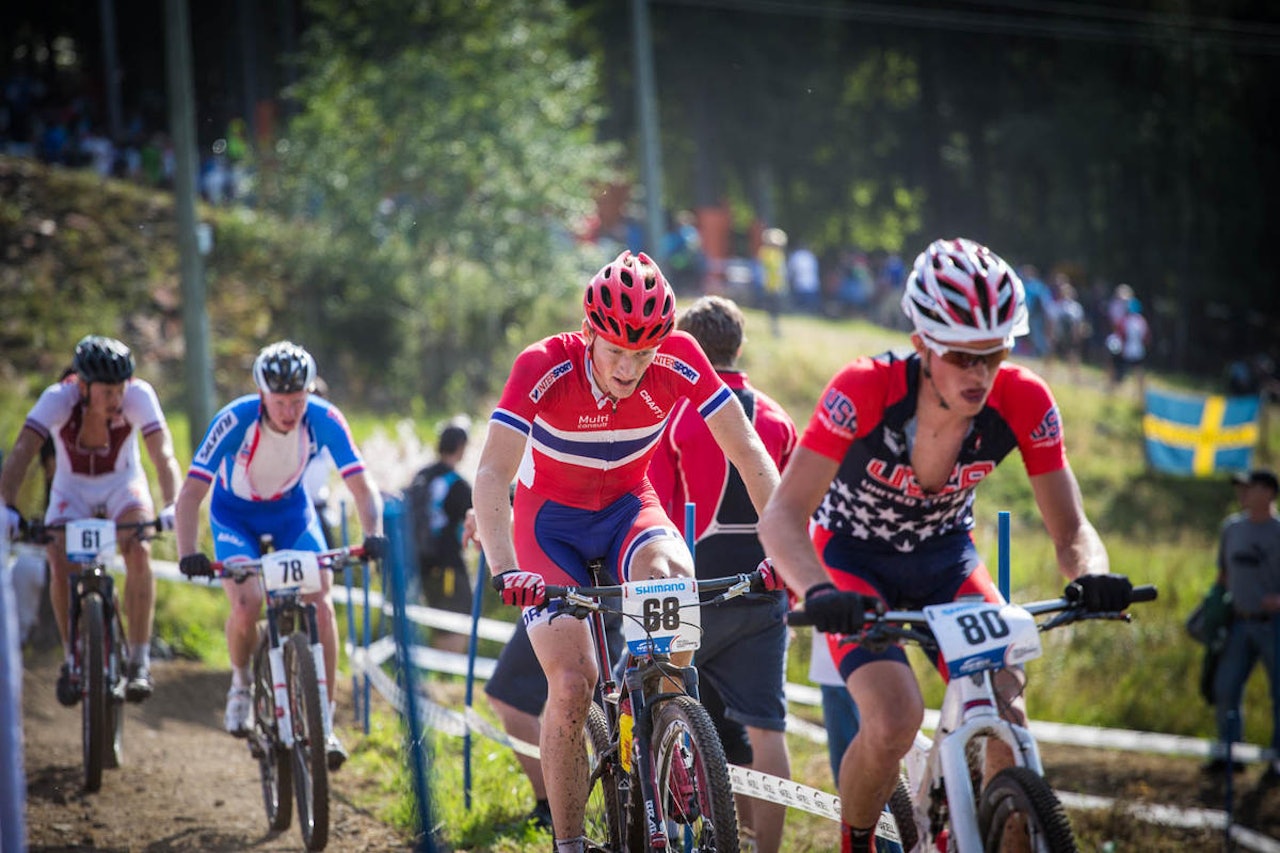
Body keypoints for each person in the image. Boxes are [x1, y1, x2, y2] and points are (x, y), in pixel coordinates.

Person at [757, 237, 1134, 853]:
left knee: (1009, 714)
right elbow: (781, 519)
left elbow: (1071, 531)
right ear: (922, 344)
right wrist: (820, 592)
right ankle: (858, 842)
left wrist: (1093, 573)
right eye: (962, 356)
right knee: (893, 716)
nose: (980, 373)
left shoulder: (1026, 400)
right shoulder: (863, 389)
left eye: (996, 351)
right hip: (851, 560)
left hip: (945, 560)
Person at [472, 250, 782, 853]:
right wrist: (505, 568)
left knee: (670, 586)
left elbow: (747, 451)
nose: (630, 367)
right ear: (589, 333)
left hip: (628, 511)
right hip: (549, 528)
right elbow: (490, 474)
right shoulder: (543, 365)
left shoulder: (681, 357)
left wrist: (782, 548)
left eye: (644, 353)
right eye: (616, 351)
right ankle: (569, 841)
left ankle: (671, 737)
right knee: (572, 682)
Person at [173, 341, 387, 770]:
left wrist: (374, 535)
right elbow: (191, 493)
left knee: (320, 596)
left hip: (291, 513)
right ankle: (240, 685)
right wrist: (187, 553)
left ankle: (323, 721)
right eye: (280, 402)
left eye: (298, 400)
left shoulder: (324, 418)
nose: (290, 411)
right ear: (262, 396)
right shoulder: (234, 419)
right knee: (248, 601)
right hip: (235, 516)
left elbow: (363, 486)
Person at [646, 294, 795, 853]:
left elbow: (650, 505)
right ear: (738, 346)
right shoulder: (778, 416)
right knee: (767, 729)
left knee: (652, 701)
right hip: (764, 585)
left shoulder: (672, 414)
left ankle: (662, 827)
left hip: (688, 585)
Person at [0, 336, 182, 704]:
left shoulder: (138, 396)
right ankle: (72, 657)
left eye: (120, 390)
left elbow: (163, 454)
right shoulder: (57, 400)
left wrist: (173, 504)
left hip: (122, 484)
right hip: (72, 490)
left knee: (139, 548)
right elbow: (22, 453)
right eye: (107, 392)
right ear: (82, 387)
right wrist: (7, 506)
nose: (116, 401)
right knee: (58, 555)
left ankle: (138, 660)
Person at [1206, 468, 1280, 782]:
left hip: (1275, 625)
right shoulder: (1232, 529)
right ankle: (1229, 754)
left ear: (1268, 492)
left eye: (1249, 488)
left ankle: (1276, 763)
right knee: (1225, 689)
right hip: (1239, 622)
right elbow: (1223, 575)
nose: (1242, 493)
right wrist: (1213, 607)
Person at [405, 418, 474, 654]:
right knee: (458, 611)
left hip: (422, 558)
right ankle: (449, 671)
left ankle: (440, 670)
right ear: (461, 447)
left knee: (436, 613)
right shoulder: (457, 485)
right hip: (449, 561)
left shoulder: (422, 475)